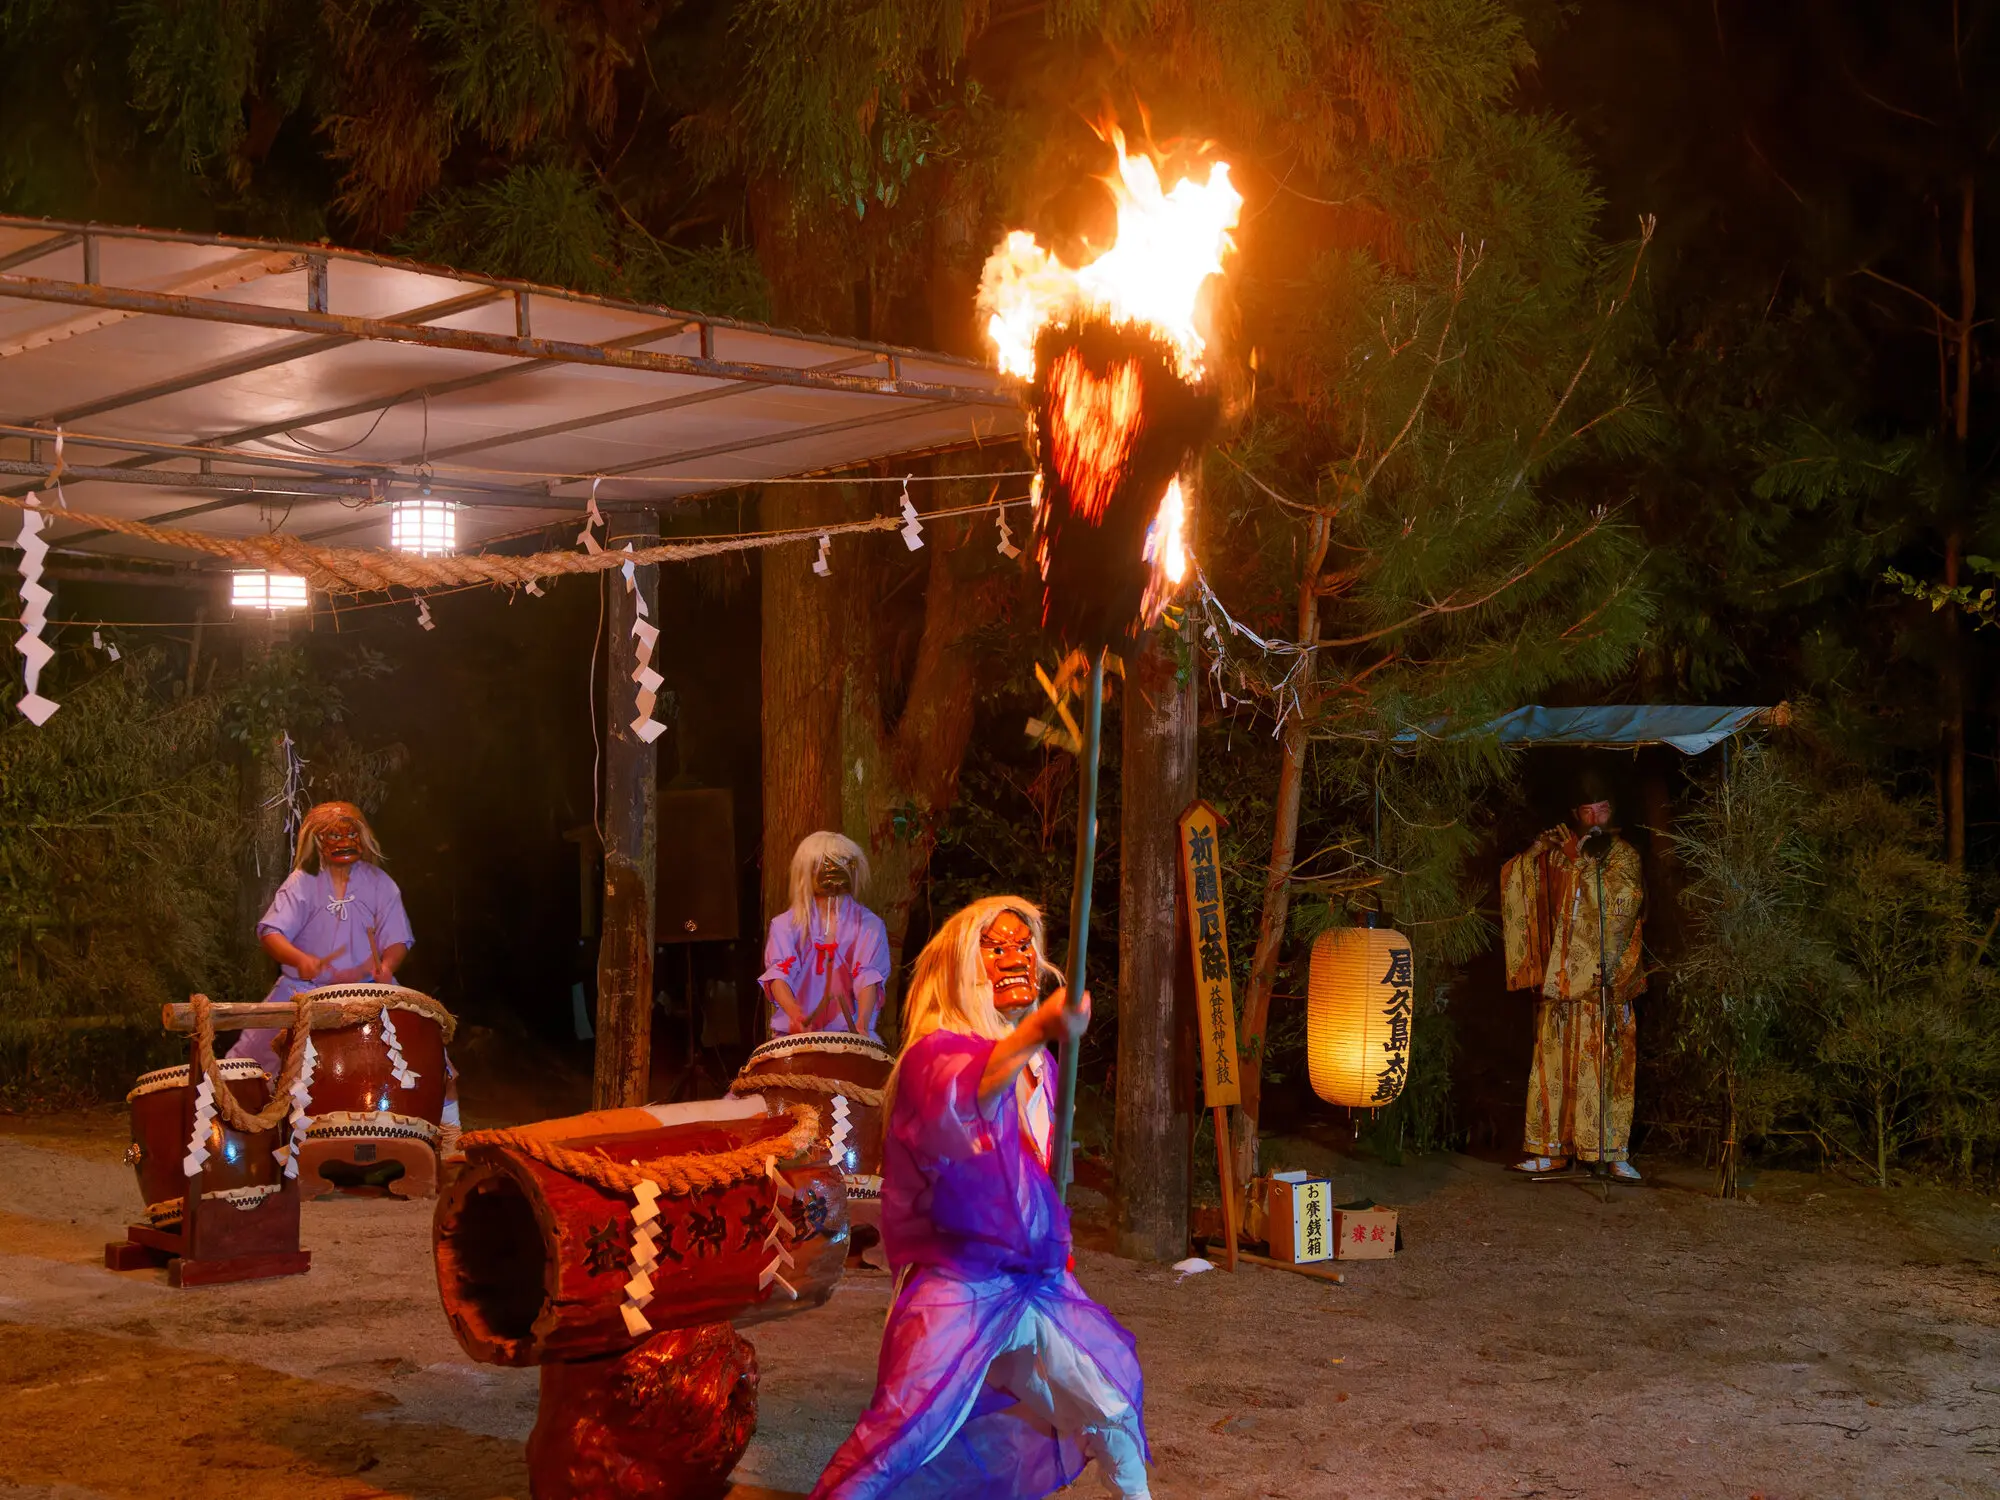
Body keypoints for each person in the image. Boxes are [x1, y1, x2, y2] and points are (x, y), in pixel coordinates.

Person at [810, 896, 1150, 1500]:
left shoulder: (1041, 1066)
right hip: (956, 1283)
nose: (1017, 958)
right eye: (997, 948)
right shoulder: (931, 1058)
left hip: (1033, 1284)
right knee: (904, 1435)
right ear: (963, 966)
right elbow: (971, 1093)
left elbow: (1036, 1170)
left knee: (1110, 1402)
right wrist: (1037, 1028)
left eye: (1024, 946)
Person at [228, 801, 460, 1147]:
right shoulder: (302, 882)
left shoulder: (380, 884)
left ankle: (451, 1133)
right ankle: (234, 1139)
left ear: (363, 837)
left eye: (351, 833)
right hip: (302, 989)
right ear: (316, 841)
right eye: (333, 835)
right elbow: (271, 932)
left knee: (429, 1056)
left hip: (370, 989)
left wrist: (388, 966)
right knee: (245, 1062)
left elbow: (397, 938)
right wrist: (300, 958)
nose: (344, 840)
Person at [1500, 777, 1646, 1180]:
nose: (1594, 817)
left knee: (1607, 1068)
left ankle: (1611, 1151)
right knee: (1553, 1066)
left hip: (1605, 983)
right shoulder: (1561, 854)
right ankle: (1549, 1149)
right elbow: (1523, 883)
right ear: (1575, 815)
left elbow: (1621, 906)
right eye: (1586, 811)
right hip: (1562, 982)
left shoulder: (1623, 856)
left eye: (1602, 808)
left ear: (1612, 812)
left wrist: (1578, 859)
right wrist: (1536, 854)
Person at [761, 831, 892, 1040]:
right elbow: (779, 974)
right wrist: (795, 1015)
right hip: (795, 1036)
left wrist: (862, 1025)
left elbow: (867, 976)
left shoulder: (869, 925)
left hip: (851, 1035)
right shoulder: (785, 925)